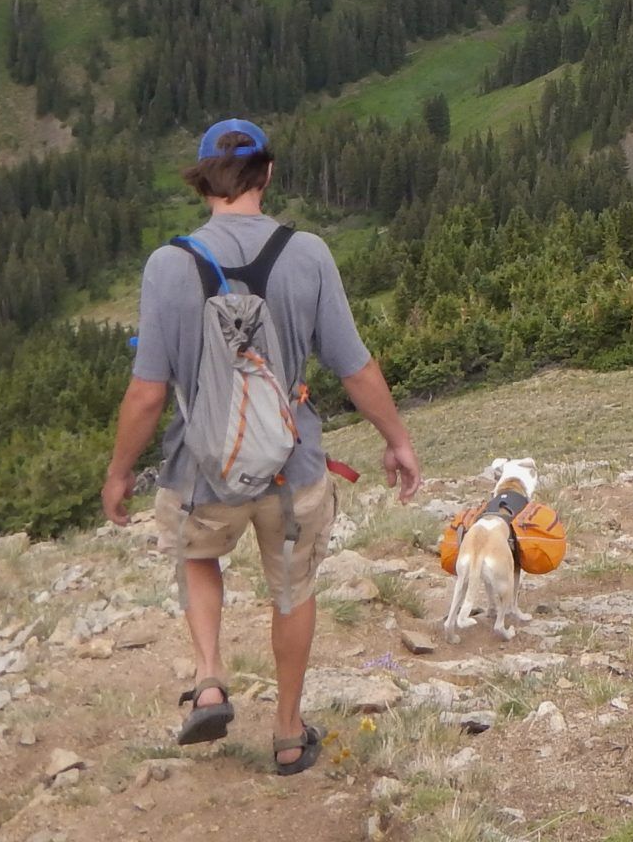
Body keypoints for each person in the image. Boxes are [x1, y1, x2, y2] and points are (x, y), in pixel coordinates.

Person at [102, 118, 422, 775]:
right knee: (292, 590)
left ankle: (212, 677)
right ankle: (285, 732)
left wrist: (120, 473)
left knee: (197, 557)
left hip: (202, 470)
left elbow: (146, 395)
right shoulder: (307, 254)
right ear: (267, 174)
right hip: (293, 469)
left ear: (203, 181)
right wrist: (397, 440)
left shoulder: (168, 265)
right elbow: (355, 367)